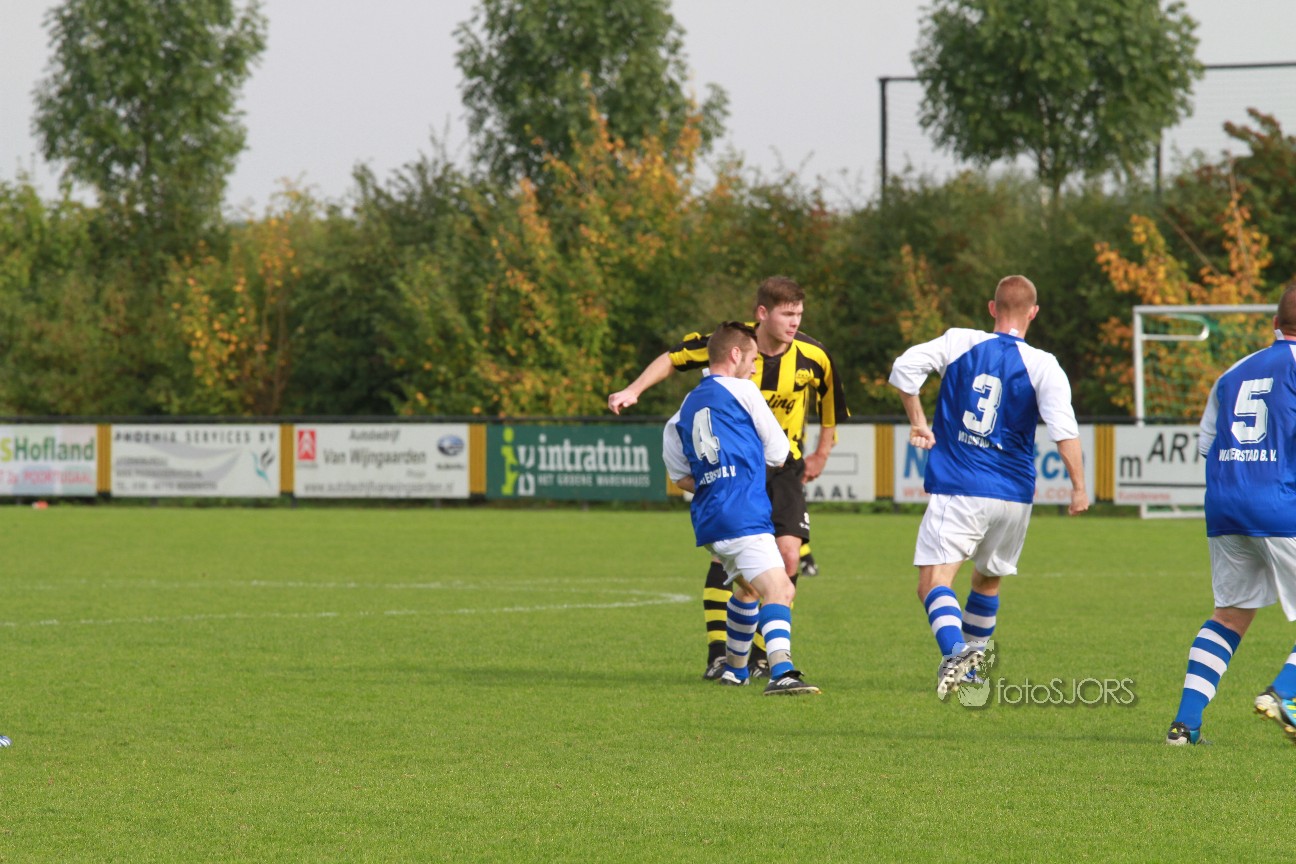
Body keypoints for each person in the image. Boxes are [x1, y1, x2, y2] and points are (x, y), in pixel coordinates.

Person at [610, 276, 847, 679]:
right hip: (738, 466)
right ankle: (722, 655)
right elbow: (671, 358)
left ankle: (758, 656)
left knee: (787, 556)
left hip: (783, 467)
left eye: (799, 314)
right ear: (762, 314)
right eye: (787, 314)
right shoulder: (729, 343)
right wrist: (635, 390)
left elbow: (831, 407)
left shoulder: (814, 355)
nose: (795, 322)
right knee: (733, 560)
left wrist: (822, 452)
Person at [889, 274, 1088, 700]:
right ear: (1034, 313)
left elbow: (903, 369)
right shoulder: (1044, 364)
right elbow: (1064, 430)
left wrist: (919, 422)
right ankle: (974, 672)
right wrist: (1079, 487)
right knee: (987, 580)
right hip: (1015, 495)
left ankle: (957, 656)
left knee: (933, 583)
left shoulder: (960, 341)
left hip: (962, 485)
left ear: (992, 308)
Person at [1166, 284, 1296, 745]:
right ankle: (1287, 693)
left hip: (1225, 504)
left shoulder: (1232, 373)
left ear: (1274, 324)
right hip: (1279, 505)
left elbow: (1206, 447)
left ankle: (1185, 725)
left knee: (1229, 617)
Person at [662, 321, 819, 695]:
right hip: (743, 512)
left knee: (747, 589)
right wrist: (744, 471)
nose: (754, 368)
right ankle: (782, 672)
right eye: (752, 360)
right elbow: (779, 452)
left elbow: (679, 476)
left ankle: (735, 670)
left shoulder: (683, 410)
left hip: (709, 520)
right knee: (781, 589)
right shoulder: (744, 390)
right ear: (735, 355)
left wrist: (717, 478)